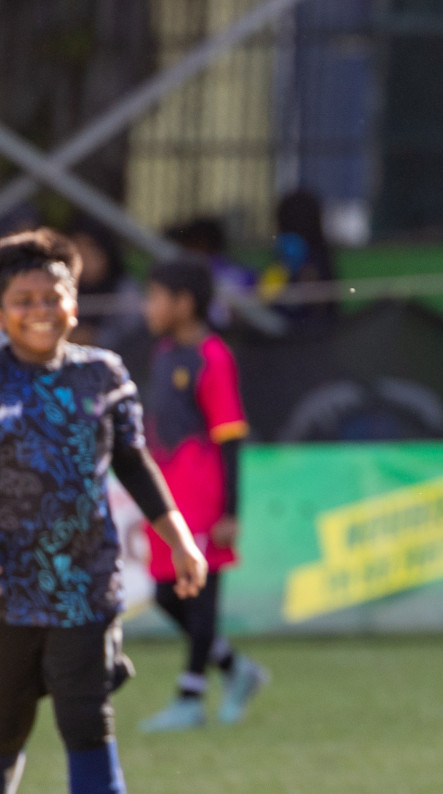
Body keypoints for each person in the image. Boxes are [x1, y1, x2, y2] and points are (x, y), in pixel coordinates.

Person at [0, 229, 207, 794]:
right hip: (1, 597)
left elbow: (135, 464)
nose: (39, 309)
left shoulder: (104, 374)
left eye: (52, 295)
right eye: (22, 299)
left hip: (85, 588)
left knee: (89, 728)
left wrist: (176, 536)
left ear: (74, 301)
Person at [136, 258, 269, 732]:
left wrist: (231, 509)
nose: (147, 306)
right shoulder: (164, 353)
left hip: (203, 495)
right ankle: (236, 669)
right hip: (168, 496)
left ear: (184, 303)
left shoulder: (214, 357)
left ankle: (190, 697)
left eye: (155, 297)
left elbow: (230, 436)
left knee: (201, 599)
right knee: (166, 595)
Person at [67, 216, 150, 371]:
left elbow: (135, 337)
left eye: (90, 248)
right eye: (77, 247)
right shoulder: (63, 287)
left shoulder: (124, 287)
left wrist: (96, 338)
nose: (83, 256)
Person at [166, 216, 259, 332]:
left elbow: (220, 321)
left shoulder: (230, 275)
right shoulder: (244, 272)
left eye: (188, 244)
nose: (183, 251)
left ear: (202, 243)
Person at [259, 189, 338, 323]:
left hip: (305, 336)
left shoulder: (315, 261)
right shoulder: (283, 258)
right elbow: (266, 297)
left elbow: (320, 307)